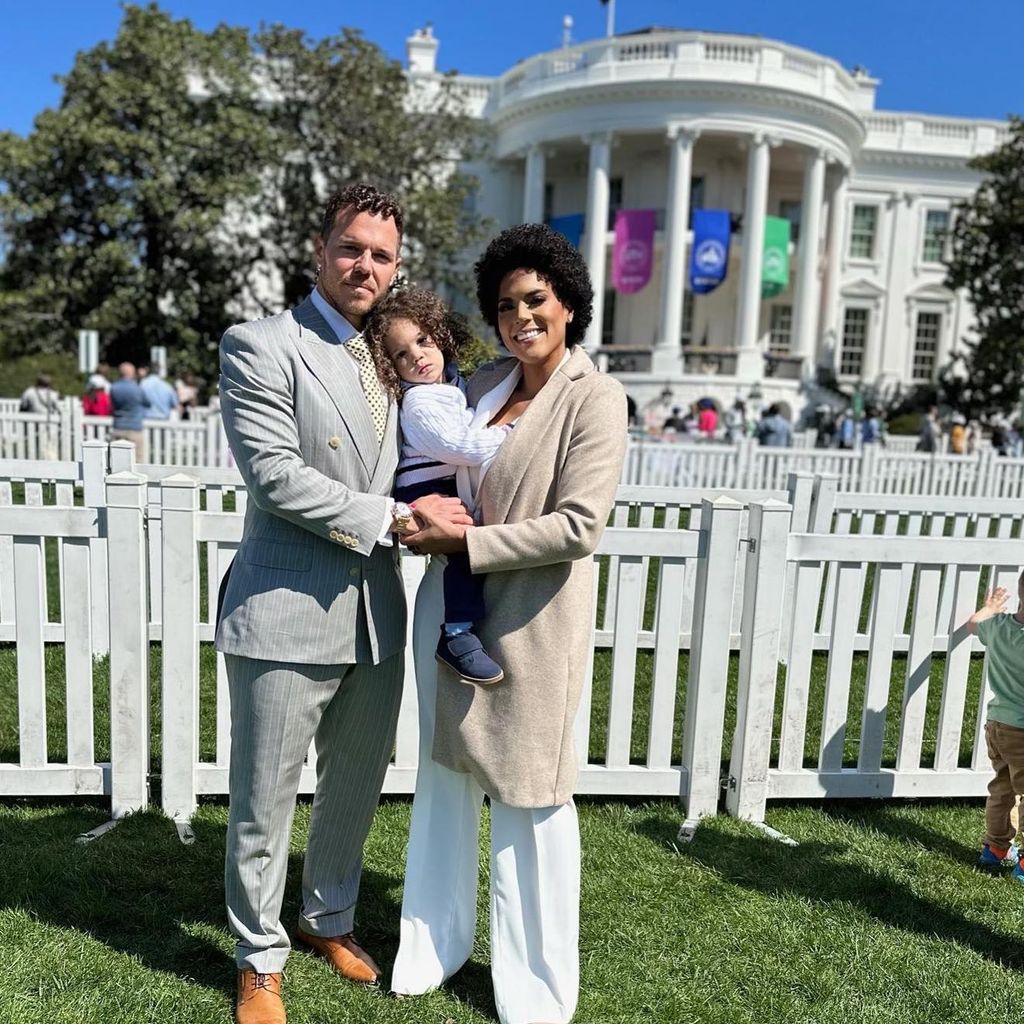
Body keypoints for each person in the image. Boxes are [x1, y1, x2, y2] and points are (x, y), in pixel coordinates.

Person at [215, 183, 470, 1024]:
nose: (366, 266)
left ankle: (326, 917)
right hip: (285, 607)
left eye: (383, 255)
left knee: (354, 786)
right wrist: (398, 519)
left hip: (374, 617)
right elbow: (276, 477)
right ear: (320, 251)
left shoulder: (391, 358)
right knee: (265, 798)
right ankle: (259, 958)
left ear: (398, 267)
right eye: (352, 248)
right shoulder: (261, 344)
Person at [390, 223, 628, 1024]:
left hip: (532, 625)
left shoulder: (594, 397)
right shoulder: (485, 383)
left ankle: (534, 993)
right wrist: (418, 515)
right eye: (505, 305)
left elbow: (578, 526)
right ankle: (431, 950)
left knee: (531, 803)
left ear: (568, 303)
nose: (521, 316)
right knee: (445, 784)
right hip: (449, 615)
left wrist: (465, 540)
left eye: (536, 300)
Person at [365, 287, 509, 685]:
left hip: (441, 482)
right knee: (464, 546)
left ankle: (462, 628)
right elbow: (462, 447)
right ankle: (457, 634)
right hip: (422, 491)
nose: (417, 357)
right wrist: (512, 434)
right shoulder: (420, 403)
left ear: (439, 335)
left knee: (466, 547)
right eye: (401, 354)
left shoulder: (449, 388)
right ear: (390, 366)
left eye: (423, 341)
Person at [967, 575, 1024, 881]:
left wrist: (988, 608)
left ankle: (996, 848)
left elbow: (972, 625)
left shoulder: (998, 627)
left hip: (998, 725)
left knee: (1002, 787)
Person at [109, 362, 151, 459]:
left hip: (118, 427)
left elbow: (112, 404)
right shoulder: (137, 388)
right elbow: (147, 403)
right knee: (137, 461)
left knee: (116, 460)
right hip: (134, 428)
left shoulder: (114, 388)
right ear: (132, 373)